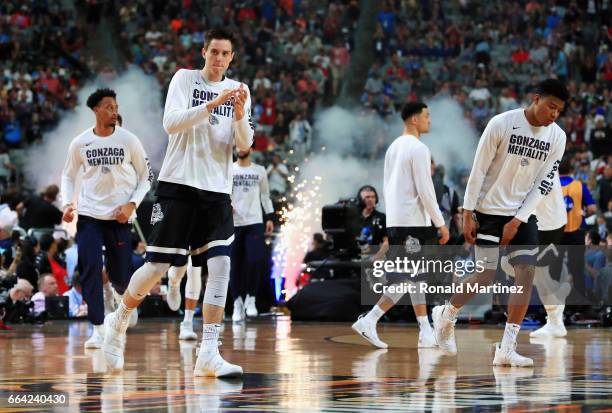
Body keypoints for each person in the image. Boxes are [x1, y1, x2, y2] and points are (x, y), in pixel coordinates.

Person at [103, 28, 253, 377]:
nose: (218, 59)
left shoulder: (240, 90)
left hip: (216, 190)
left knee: (221, 266)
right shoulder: (184, 79)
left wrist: (240, 114)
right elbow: (171, 124)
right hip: (177, 185)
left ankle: (209, 352)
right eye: (213, 52)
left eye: (224, 54)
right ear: (203, 52)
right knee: (157, 266)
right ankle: (120, 319)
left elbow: (244, 144)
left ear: (232, 58)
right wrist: (213, 105)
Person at [432, 79, 568, 367]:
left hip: (523, 212)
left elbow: (544, 182)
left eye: (559, 111)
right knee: (485, 274)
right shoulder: (502, 123)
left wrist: (518, 220)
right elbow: (478, 169)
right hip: (488, 210)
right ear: (536, 99)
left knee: (526, 274)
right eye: (551, 107)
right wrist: (468, 213)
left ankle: (507, 348)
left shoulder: (557, 137)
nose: (554, 114)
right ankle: (447, 314)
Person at [352, 102, 449, 349]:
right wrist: (441, 223)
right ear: (414, 120)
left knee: (415, 279)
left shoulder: (393, 147)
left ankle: (425, 330)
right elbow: (426, 191)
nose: (430, 120)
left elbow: (387, 186)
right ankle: (370, 319)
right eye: (427, 115)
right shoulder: (418, 149)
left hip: (397, 220)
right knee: (407, 280)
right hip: (412, 222)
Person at [61, 88, 152, 350]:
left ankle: (120, 295)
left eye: (116, 107)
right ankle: (99, 328)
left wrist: (132, 204)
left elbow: (148, 176)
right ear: (96, 110)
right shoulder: (80, 143)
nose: (114, 111)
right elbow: (68, 176)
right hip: (89, 215)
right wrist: (68, 203)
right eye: (109, 107)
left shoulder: (129, 139)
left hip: (119, 217)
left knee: (121, 274)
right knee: (89, 267)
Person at [229, 146, 274, 322]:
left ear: (252, 147)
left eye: (244, 143)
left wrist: (270, 216)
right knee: (234, 265)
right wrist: (226, 205)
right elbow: (222, 192)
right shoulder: (229, 169)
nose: (240, 148)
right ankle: (237, 302)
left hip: (255, 221)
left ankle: (251, 298)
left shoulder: (260, 170)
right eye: (237, 144)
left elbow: (265, 195)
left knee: (256, 260)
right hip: (233, 223)